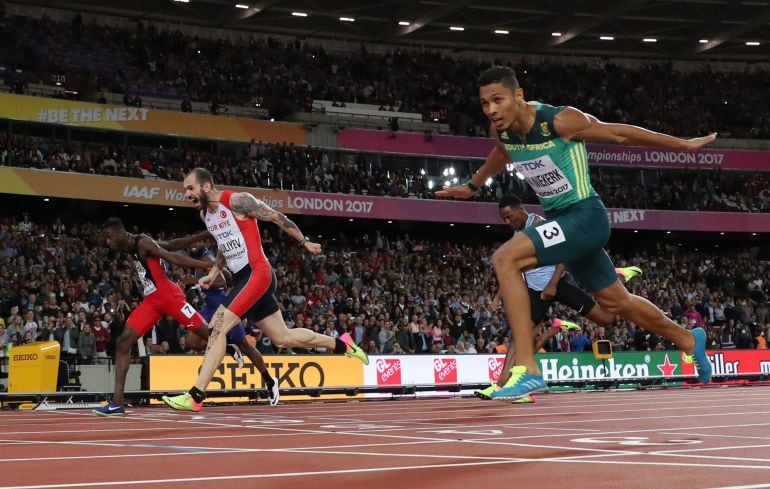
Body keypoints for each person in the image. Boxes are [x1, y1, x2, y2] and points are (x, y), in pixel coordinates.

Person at [437, 65, 714, 400]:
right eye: (484, 104)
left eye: (498, 100)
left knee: (505, 258)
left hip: (586, 216)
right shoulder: (503, 131)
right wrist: (473, 184)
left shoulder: (559, 121)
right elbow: (502, 152)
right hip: (562, 224)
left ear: (518, 96)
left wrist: (681, 146)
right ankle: (688, 338)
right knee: (617, 301)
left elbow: (619, 134)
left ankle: (528, 369)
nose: (492, 110)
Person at [163, 168, 368, 412]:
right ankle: (344, 344)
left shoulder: (237, 201)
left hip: (258, 272)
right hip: (241, 279)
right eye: (185, 190)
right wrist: (213, 273)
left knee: (218, 326)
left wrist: (304, 242)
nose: (187, 194)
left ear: (206, 187)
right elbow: (223, 246)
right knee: (283, 338)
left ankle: (195, 395)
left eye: (190, 188)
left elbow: (276, 216)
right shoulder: (206, 215)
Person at [474, 195, 643, 403]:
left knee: (605, 319)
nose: (507, 222)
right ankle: (503, 385)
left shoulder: (539, 225)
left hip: (559, 283)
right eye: (504, 219)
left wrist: (553, 284)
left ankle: (617, 276)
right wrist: (500, 295)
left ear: (521, 209)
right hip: (536, 291)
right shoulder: (518, 233)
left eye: (509, 217)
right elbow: (513, 268)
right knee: (520, 337)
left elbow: (565, 252)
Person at [93, 218, 212, 416]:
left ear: (120, 234)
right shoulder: (131, 246)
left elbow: (172, 256)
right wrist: (205, 234)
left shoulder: (142, 242)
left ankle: (237, 347)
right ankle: (116, 403)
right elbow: (173, 244)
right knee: (123, 342)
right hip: (153, 301)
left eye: (108, 237)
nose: (107, 242)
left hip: (168, 296)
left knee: (211, 336)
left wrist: (204, 266)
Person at [186, 240, 279, 405]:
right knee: (191, 341)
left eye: (196, 242)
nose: (193, 245)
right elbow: (227, 276)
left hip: (221, 306)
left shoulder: (207, 259)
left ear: (203, 243)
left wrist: (194, 282)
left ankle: (269, 380)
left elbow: (222, 281)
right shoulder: (201, 259)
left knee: (245, 345)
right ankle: (229, 347)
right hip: (209, 307)